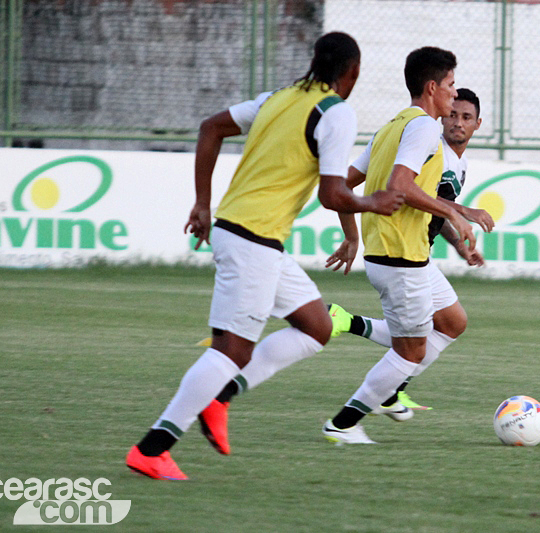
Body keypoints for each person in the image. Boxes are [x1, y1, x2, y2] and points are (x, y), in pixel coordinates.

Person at [125, 32, 405, 480]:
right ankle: (153, 448)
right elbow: (333, 193)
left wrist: (202, 203)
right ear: (351, 73)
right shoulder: (337, 113)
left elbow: (210, 126)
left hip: (251, 236)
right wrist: (374, 202)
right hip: (252, 240)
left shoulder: (278, 98)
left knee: (317, 327)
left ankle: (220, 398)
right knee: (230, 352)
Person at [321, 47, 487, 445]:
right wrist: (457, 212)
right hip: (400, 257)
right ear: (432, 87)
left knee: (451, 323)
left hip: (407, 255)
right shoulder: (425, 127)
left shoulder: (390, 127)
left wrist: (351, 234)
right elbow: (400, 187)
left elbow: (341, 184)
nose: (452, 96)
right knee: (409, 351)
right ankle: (343, 424)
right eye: (449, 86)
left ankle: (387, 388)